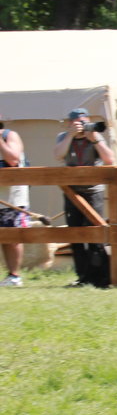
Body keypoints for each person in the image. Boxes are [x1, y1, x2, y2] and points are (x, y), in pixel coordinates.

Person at [53, 108, 115, 287]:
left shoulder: (94, 135)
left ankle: (102, 276)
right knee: (76, 235)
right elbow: (58, 155)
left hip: (93, 191)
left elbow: (109, 159)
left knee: (95, 234)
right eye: (76, 122)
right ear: (69, 123)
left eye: (83, 121)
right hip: (72, 191)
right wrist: (70, 136)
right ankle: (83, 277)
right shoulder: (63, 136)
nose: (80, 125)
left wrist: (94, 138)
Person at [0, 115, 28, 286]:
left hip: (12, 198)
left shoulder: (9, 136)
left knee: (11, 238)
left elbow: (13, 159)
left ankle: (14, 276)